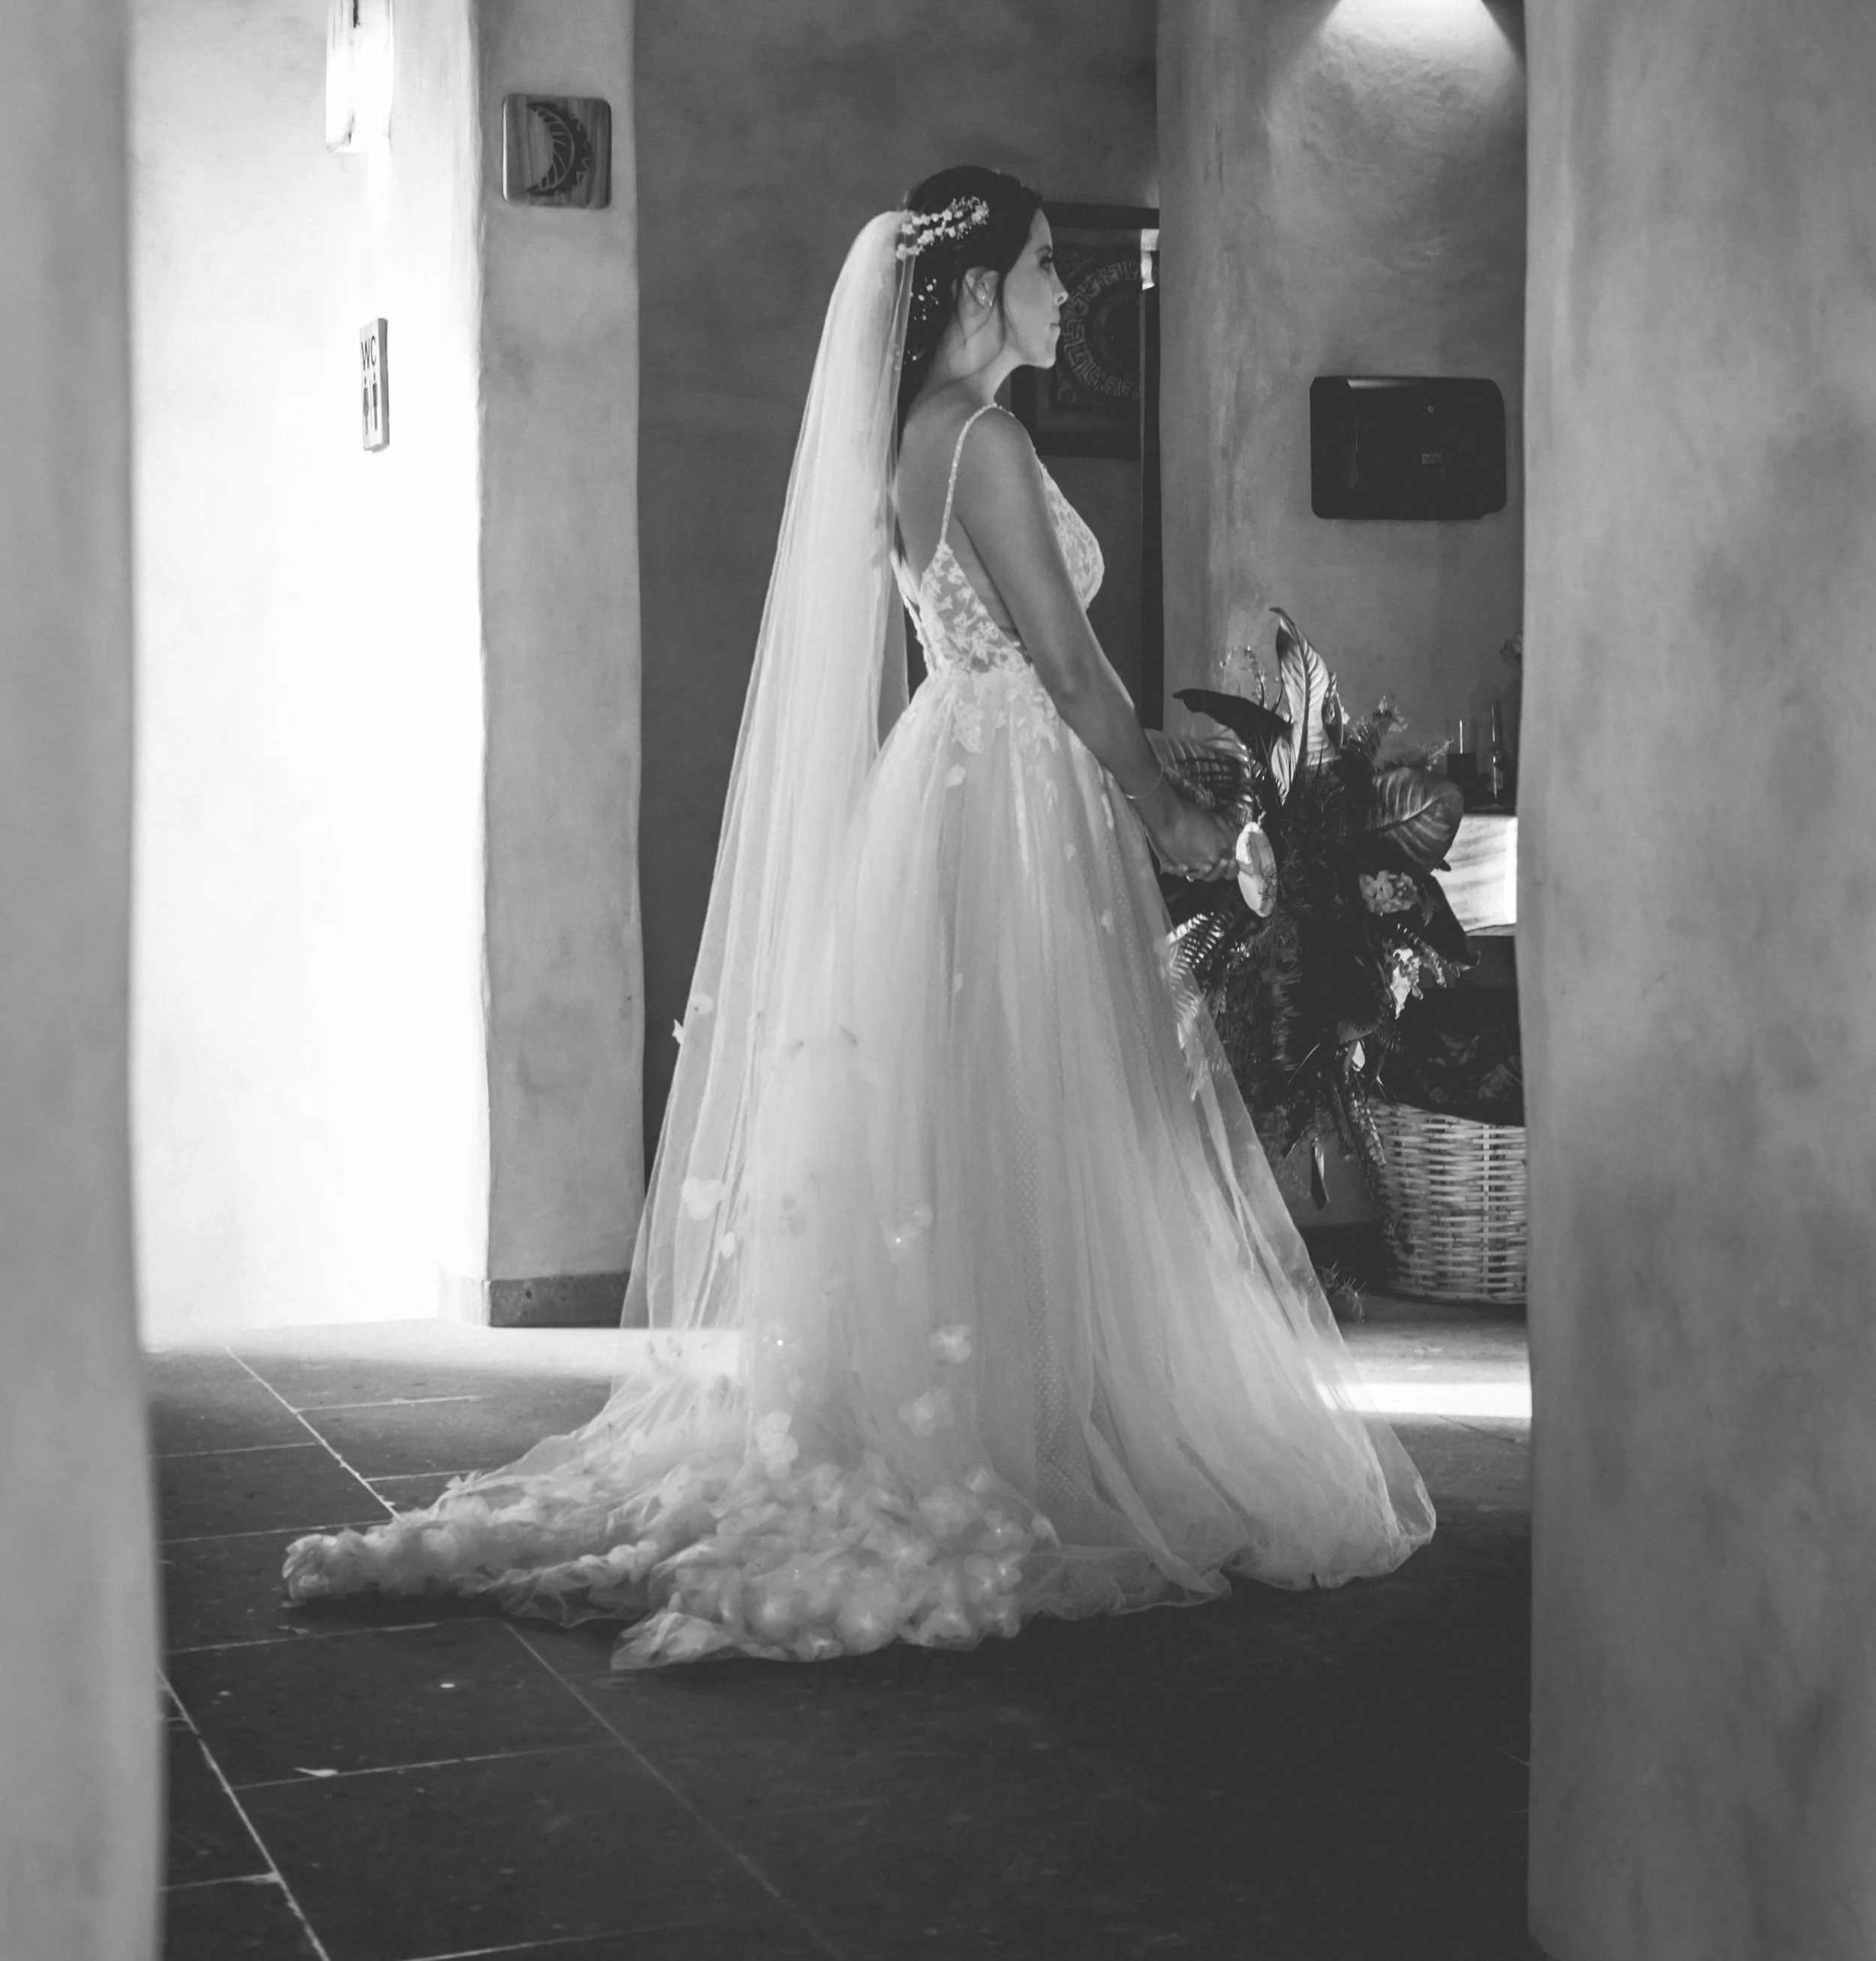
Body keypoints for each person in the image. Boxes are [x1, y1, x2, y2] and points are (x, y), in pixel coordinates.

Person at [284, 166, 1433, 1665]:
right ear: (972, 293)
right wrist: (1187, 825)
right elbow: (1074, 674)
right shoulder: (988, 442)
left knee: (977, 1116)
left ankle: (990, 1410)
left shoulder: (914, 441)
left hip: (956, 786)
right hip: (1011, 794)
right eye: (1041, 266)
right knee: (1030, 1107)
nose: (1065, 291)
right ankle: (1024, 1436)